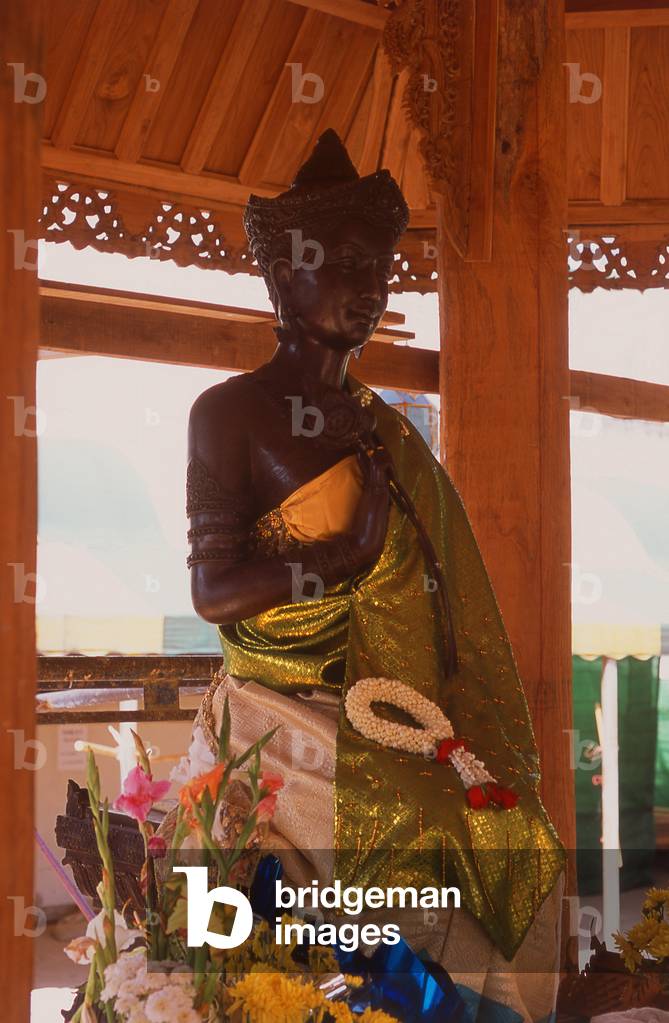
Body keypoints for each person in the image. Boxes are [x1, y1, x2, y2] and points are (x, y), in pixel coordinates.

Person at [178, 129, 565, 1021]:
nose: (372, 285)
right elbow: (213, 593)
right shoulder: (230, 412)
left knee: (513, 834)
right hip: (282, 707)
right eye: (345, 263)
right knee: (408, 854)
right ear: (284, 278)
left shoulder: (382, 425)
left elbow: (437, 596)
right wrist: (336, 561)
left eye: (380, 266)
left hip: (387, 706)